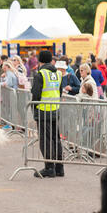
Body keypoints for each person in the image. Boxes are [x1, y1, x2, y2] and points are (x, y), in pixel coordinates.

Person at [31, 50, 64, 178]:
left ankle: (49, 167)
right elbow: (59, 92)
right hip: (55, 109)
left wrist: (34, 108)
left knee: (45, 140)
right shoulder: (58, 73)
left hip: (43, 110)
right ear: (51, 60)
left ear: (40, 60)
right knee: (56, 139)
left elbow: (36, 94)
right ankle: (59, 167)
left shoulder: (41, 74)